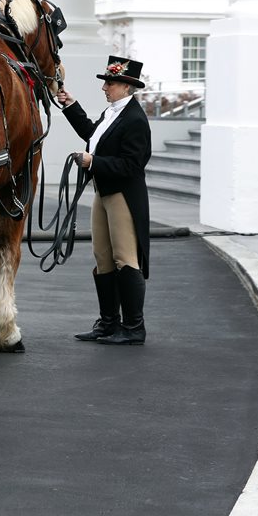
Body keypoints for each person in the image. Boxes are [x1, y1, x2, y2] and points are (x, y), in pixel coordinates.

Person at [55, 55, 151, 345]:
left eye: (109, 82)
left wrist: (92, 161)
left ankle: (134, 327)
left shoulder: (134, 119)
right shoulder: (113, 113)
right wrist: (70, 106)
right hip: (104, 190)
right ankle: (109, 322)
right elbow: (92, 134)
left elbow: (132, 165)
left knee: (125, 259)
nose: (104, 87)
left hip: (123, 194)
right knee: (103, 257)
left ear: (125, 86)